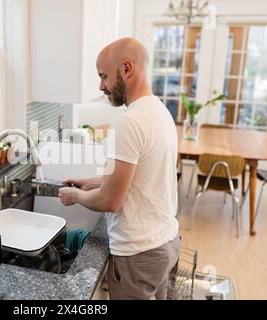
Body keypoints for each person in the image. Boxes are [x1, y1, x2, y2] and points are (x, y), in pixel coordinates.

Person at [58, 37, 180, 300]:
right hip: (164, 243)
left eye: (104, 76)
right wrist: (91, 183)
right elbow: (140, 177)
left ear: (126, 69)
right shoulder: (160, 111)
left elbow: (111, 200)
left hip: (138, 255)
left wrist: (74, 197)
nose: (101, 86)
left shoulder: (129, 122)